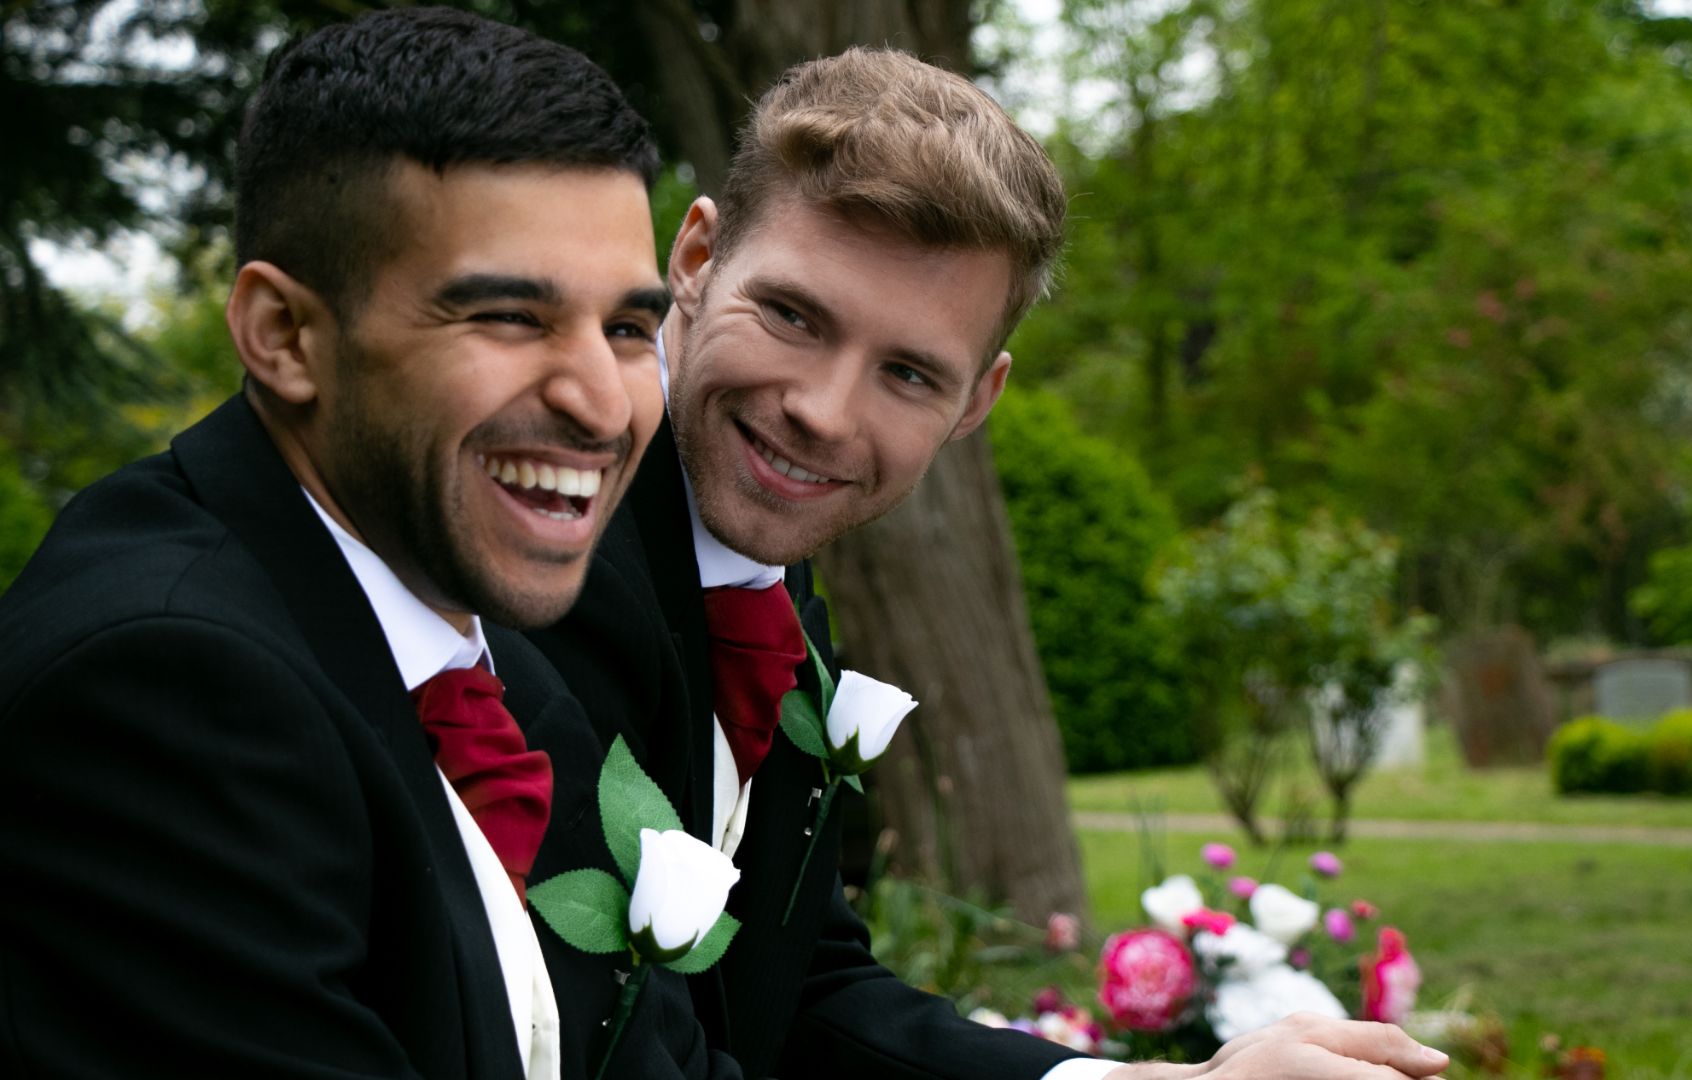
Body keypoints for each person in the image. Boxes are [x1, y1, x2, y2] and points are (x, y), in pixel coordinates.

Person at [530, 47, 1453, 1080]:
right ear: (694, 262)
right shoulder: (534, 556)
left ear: (978, 401)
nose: (823, 413)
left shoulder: (764, 579)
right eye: (793, 315)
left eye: (911, 373)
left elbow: (801, 988)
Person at [0, 9, 734, 1078]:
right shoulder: (161, 688)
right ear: (285, 337)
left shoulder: (498, 669)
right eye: (508, 318)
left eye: (627, 330)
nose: (601, 404)